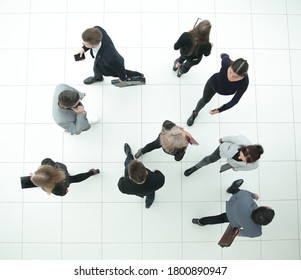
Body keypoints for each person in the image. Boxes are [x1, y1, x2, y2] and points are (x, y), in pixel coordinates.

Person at [192, 179, 275, 238]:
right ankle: (201, 222)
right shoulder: (256, 232)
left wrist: (253, 195)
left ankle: (232, 190)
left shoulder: (245, 199)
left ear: (259, 208)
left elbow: (241, 194)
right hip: (233, 220)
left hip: (232, 210)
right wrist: (239, 232)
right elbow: (240, 233)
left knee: (238, 193)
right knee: (219, 219)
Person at [186, 53, 249, 126]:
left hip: (225, 91)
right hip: (212, 84)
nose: (231, 76)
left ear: (243, 76)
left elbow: (235, 100)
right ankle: (195, 113)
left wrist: (220, 110)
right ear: (230, 65)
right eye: (230, 72)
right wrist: (223, 55)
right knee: (204, 100)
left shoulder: (244, 82)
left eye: (236, 77)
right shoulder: (226, 62)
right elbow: (225, 56)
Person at [77, 26, 144, 84]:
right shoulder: (97, 30)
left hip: (109, 65)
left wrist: (123, 78)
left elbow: (120, 66)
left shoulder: (110, 57)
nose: (83, 44)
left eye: (85, 44)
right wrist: (83, 49)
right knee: (96, 68)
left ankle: (138, 75)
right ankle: (98, 78)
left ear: (94, 44)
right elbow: (91, 40)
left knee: (121, 72)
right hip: (99, 60)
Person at [184, 135, 263, 176]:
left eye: (244, 158)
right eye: (242, 152)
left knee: (227, 166)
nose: (240, 156)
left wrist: (237, 169)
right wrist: (222, 139)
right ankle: (196, 167)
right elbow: (231, 138)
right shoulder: (242, 141)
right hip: (224, 150)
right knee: (210, 159)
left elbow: (247, 168)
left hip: (233, 163)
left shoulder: (254, 165)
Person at [118, 143, 165, 209]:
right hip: (150, 190)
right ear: (146, 172)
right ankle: (147, 205)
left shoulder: (123, 187)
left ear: (130, 177)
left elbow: (121, 179)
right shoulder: (158, 180)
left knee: (128, 163)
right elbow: (158, 172)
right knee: (150, 196)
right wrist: (155, 171)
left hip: (136, 192)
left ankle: (129, 155)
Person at [30, 158, 100, 196]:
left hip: (64, 182)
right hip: (62, 170)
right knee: (68, 176)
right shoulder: (45, 161)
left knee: (74, 179)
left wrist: (65, 190)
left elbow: (64, 192)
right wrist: (38, 174)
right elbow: (51, 162)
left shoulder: (54, 190)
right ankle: (92, 172)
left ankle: (92, 173)